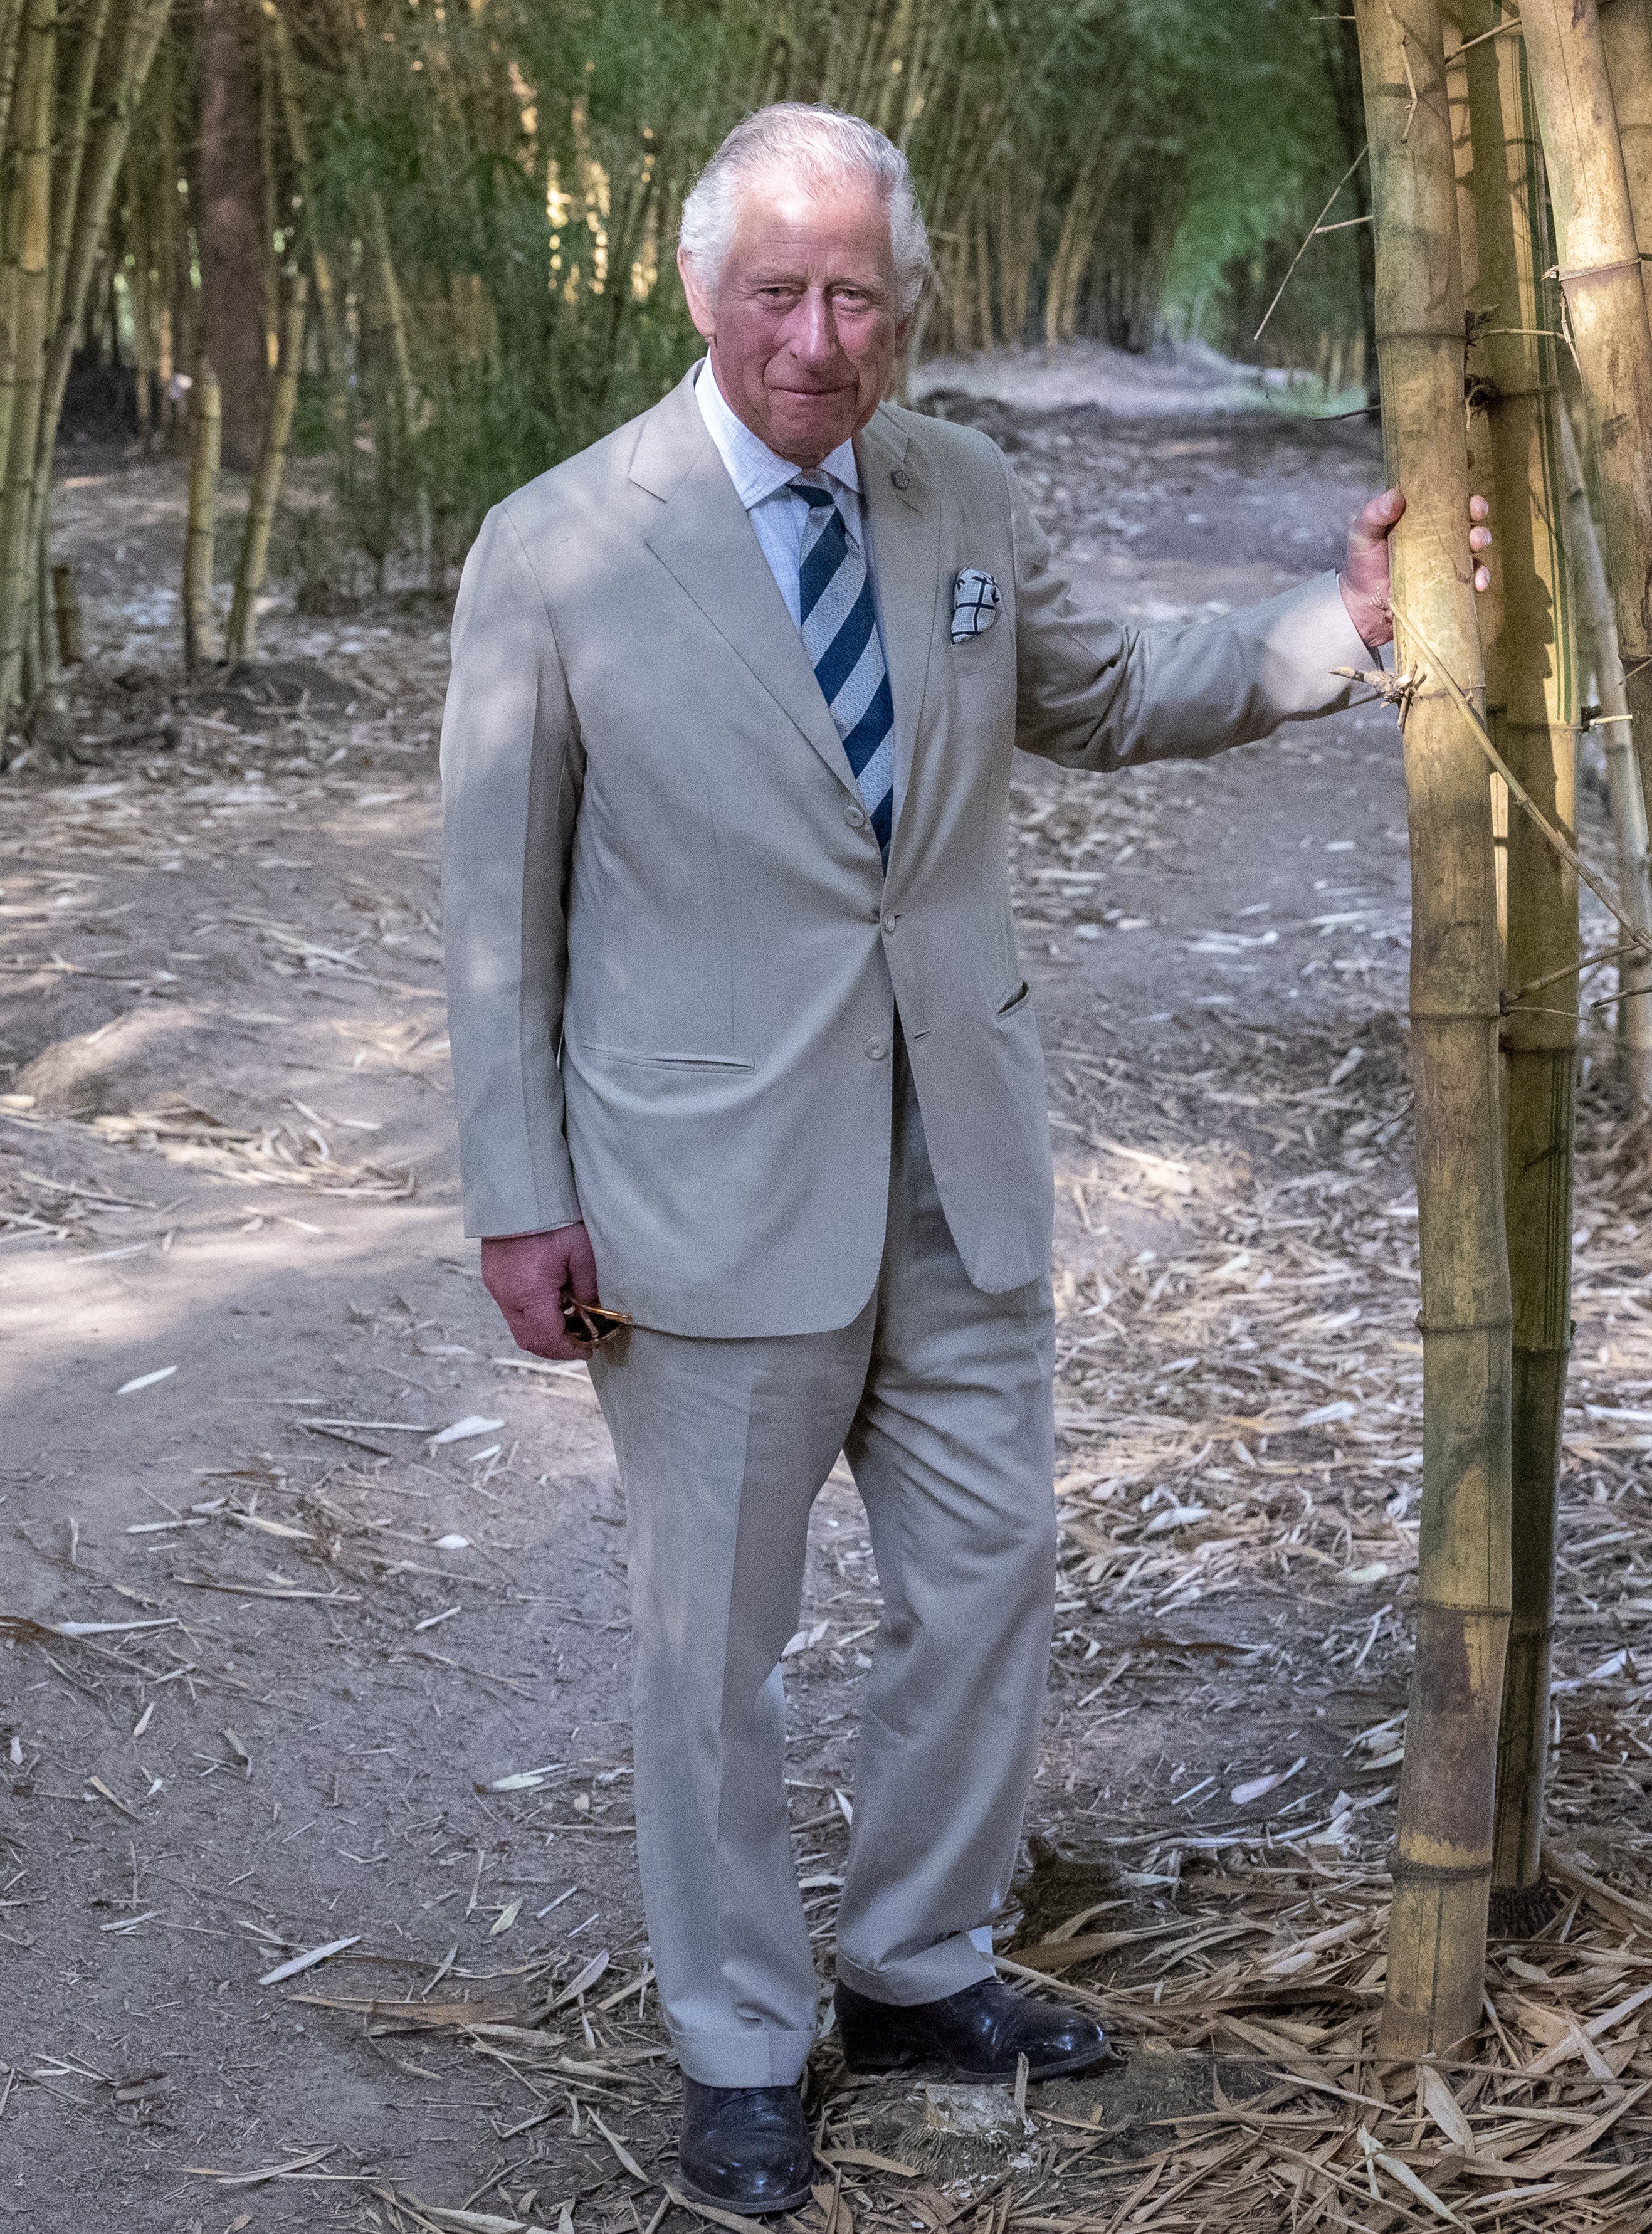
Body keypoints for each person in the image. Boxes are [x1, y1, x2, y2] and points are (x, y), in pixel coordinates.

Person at [439, 100, 1485, 2218]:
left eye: (859, 299)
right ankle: (740, 2042)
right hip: (700, 1186)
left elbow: (1103, 689)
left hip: (958, 1149)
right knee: (706, 1655)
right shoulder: (555, 543)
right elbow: (496, 916)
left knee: (991, 1577)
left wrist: (1346, 625)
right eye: (780, 294)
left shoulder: (960, 492)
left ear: (909, 309)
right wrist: (517, 1194)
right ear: (700, 291)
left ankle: (919, 1963)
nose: (821, 338)